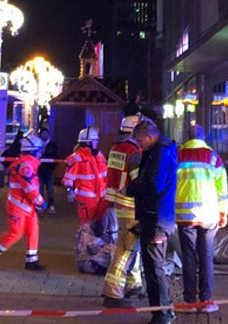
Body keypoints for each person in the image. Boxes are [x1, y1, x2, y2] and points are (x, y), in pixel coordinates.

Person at [125, 117, 177, 324]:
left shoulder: (160, 153)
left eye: (140, 142)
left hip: (156, 218)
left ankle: (163, 313)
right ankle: (163, 310)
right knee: (152, 267)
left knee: (154, 269)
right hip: (154, 217)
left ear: (149, 137)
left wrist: (130, 189)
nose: (139, 147)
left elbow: (152, 185)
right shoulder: (156, 151)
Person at [175, 125, 228, 314]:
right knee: (206, 257)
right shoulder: (213, 157)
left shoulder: (178, 156)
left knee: (188, 258)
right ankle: (205, 300)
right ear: (203, 137)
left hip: (184, 216)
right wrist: (224, 212)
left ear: (187, 137)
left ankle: (189, 301)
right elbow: (222, 188)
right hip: (208, 215)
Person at [0, 132, 48, 272]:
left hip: (25, 205)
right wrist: (41, 202)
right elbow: (29, 187)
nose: (40, 154)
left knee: (33, 230)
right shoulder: (25, 166)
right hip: (18, 205)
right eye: (39, 151)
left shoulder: (27, 164)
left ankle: (32, 261)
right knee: (16, 233)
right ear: (33, 151)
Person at [102, 114, 145, 308]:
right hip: (131, 205)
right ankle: (113, 292)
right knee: (126, 249)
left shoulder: (116, 148)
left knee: (132, 246)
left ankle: (133, 285)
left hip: (119, 204)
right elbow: (138, 182)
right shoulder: (134, 152)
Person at [63, 127, 108, 223]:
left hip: (101, 197)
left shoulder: (99, 155)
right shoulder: (77, 158)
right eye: (95, 141)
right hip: (87, 199)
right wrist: (69, 190)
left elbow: (105, 175)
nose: (97, 143)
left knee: (100, 226)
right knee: (88, 226)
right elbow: (69, 177)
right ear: (88, 142)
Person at [38, 127, 59, 215]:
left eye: (46, 133)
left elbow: (56, 156)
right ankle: (41, 205)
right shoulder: (37, 145)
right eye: (43, 133)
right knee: (40, 189)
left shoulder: (52, 145)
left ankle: (51, 205)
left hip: (49, 170)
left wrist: (52, 166)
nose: (45, 135)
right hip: (40, 170)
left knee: (50, 189)